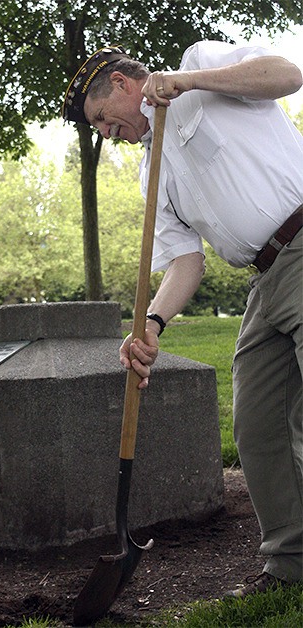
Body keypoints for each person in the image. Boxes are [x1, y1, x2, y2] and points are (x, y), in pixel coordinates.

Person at [62, 41, 303, 597]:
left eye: (102, 119)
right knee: (257, 422)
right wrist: (150, 325)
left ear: (122, 86)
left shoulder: (199, 67)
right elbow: (185, 263)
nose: (105, 134)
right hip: (264, 281)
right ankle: (291, 565)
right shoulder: (152, 170)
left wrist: (193, 82)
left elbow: (287, 74)